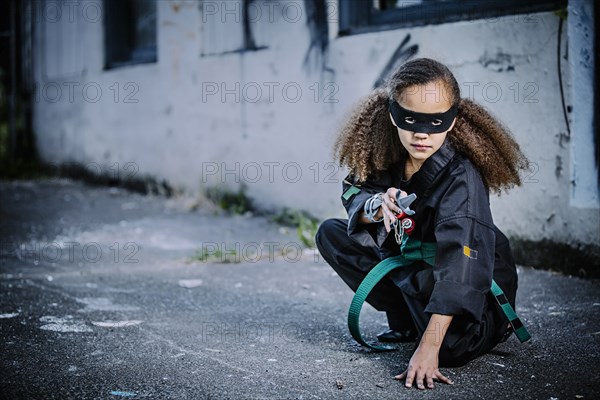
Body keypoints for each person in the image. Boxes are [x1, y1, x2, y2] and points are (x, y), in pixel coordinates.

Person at [315, 58, 529, 390]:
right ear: (392, 114)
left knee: (450, 351)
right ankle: (405, 319)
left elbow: (461, 264)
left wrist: (428, 349)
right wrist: (376, 206)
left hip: (465, 277)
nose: (421, 134)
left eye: (435, 122)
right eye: (410, 119)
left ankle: (480, 325)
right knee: (331, 233)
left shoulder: (461, 177)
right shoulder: (385, 154)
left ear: (453, 119)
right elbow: (356, 188)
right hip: (416, 270)